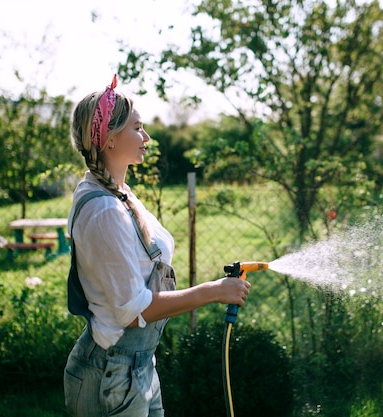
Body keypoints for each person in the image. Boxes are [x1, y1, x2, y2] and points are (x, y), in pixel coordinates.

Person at [63, 74, 251, 417]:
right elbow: (130, 310)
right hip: (112, 376)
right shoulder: (104, 209)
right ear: (109, 139)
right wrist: (212, 291)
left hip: (137, 367)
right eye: (137, 127)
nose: (146, 137)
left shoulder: (116, 193)